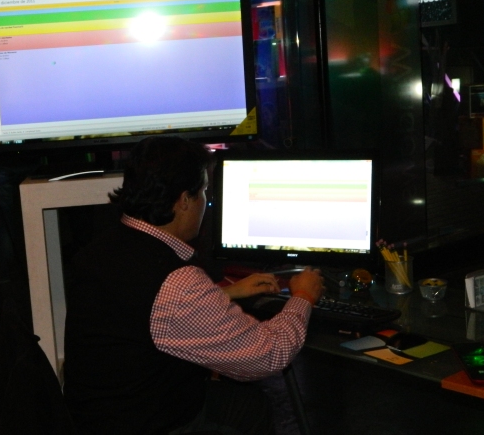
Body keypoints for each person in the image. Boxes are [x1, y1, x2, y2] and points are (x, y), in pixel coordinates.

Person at [63, 136, 324, 435]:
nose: (205, 203)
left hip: (96, 418)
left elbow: (140, 312)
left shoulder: (103, 248)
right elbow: (268, 355)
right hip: (151, 423)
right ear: (184, 200)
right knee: (250, 405)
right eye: (203, 193)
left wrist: (224, 293)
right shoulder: (177, 282)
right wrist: (303, 295)